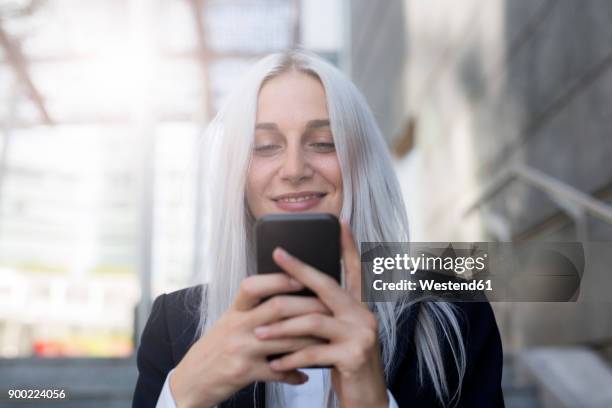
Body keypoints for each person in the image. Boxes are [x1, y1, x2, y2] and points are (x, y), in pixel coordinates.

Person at [132, 49, 504, 408]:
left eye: (323, 143)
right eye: (265, 146)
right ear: (237, 174)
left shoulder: (452, 311)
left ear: (361, 162)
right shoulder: (174, 325)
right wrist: (181, 396)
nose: (294, 169)